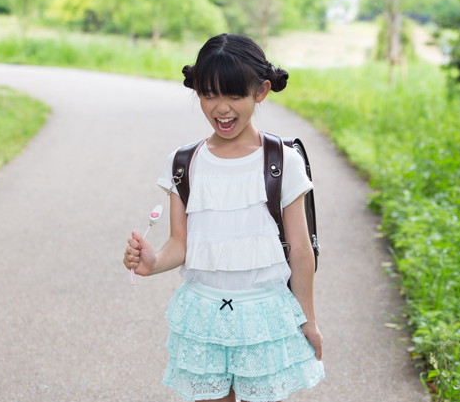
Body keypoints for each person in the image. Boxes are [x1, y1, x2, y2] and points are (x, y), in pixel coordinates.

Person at [123, 33, 324, 402]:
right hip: (204, 314)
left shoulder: (282, 162)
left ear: (260, 92)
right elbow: (180, 243)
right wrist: (152, 262)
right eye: (209, 94)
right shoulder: (184, 163)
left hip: (264, 314)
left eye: (235, 95)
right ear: (197, 91)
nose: (222, 108)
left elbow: (299, 249)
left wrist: (308, 320)